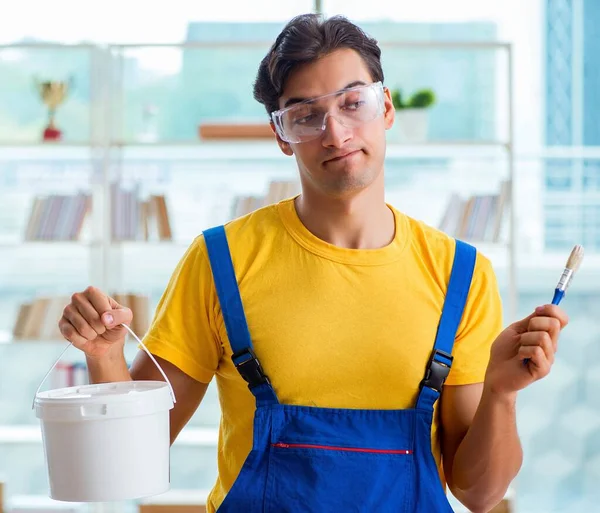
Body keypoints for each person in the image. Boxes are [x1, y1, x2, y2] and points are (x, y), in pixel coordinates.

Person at [58, 13, 568, 513]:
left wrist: (501, 395)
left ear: (386, 107)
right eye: (305, 115)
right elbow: (133, 457)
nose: (336, 132)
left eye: (353, 103)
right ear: (282, 135)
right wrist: (103, 356)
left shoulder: (460, 274)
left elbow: (479, 495)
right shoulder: (221, 262)